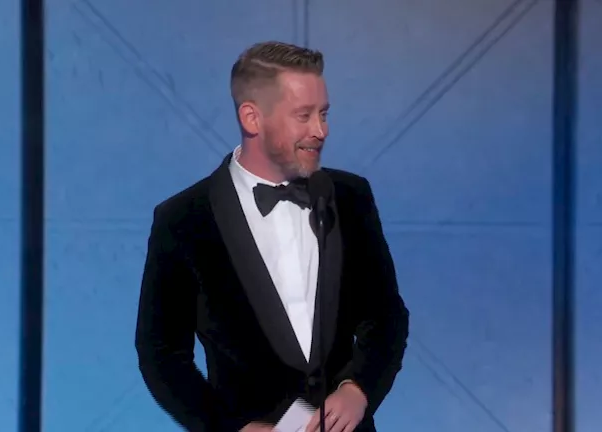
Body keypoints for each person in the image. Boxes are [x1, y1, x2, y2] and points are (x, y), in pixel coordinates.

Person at [135, 41, 410, 432]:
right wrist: (234, 428)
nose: (320, 131)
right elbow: (161, 353)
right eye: (304, 115)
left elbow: (386, 317)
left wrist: (358, 389)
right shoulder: (183, 219)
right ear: (252, 118)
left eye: (324, 114)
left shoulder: (351, 197)